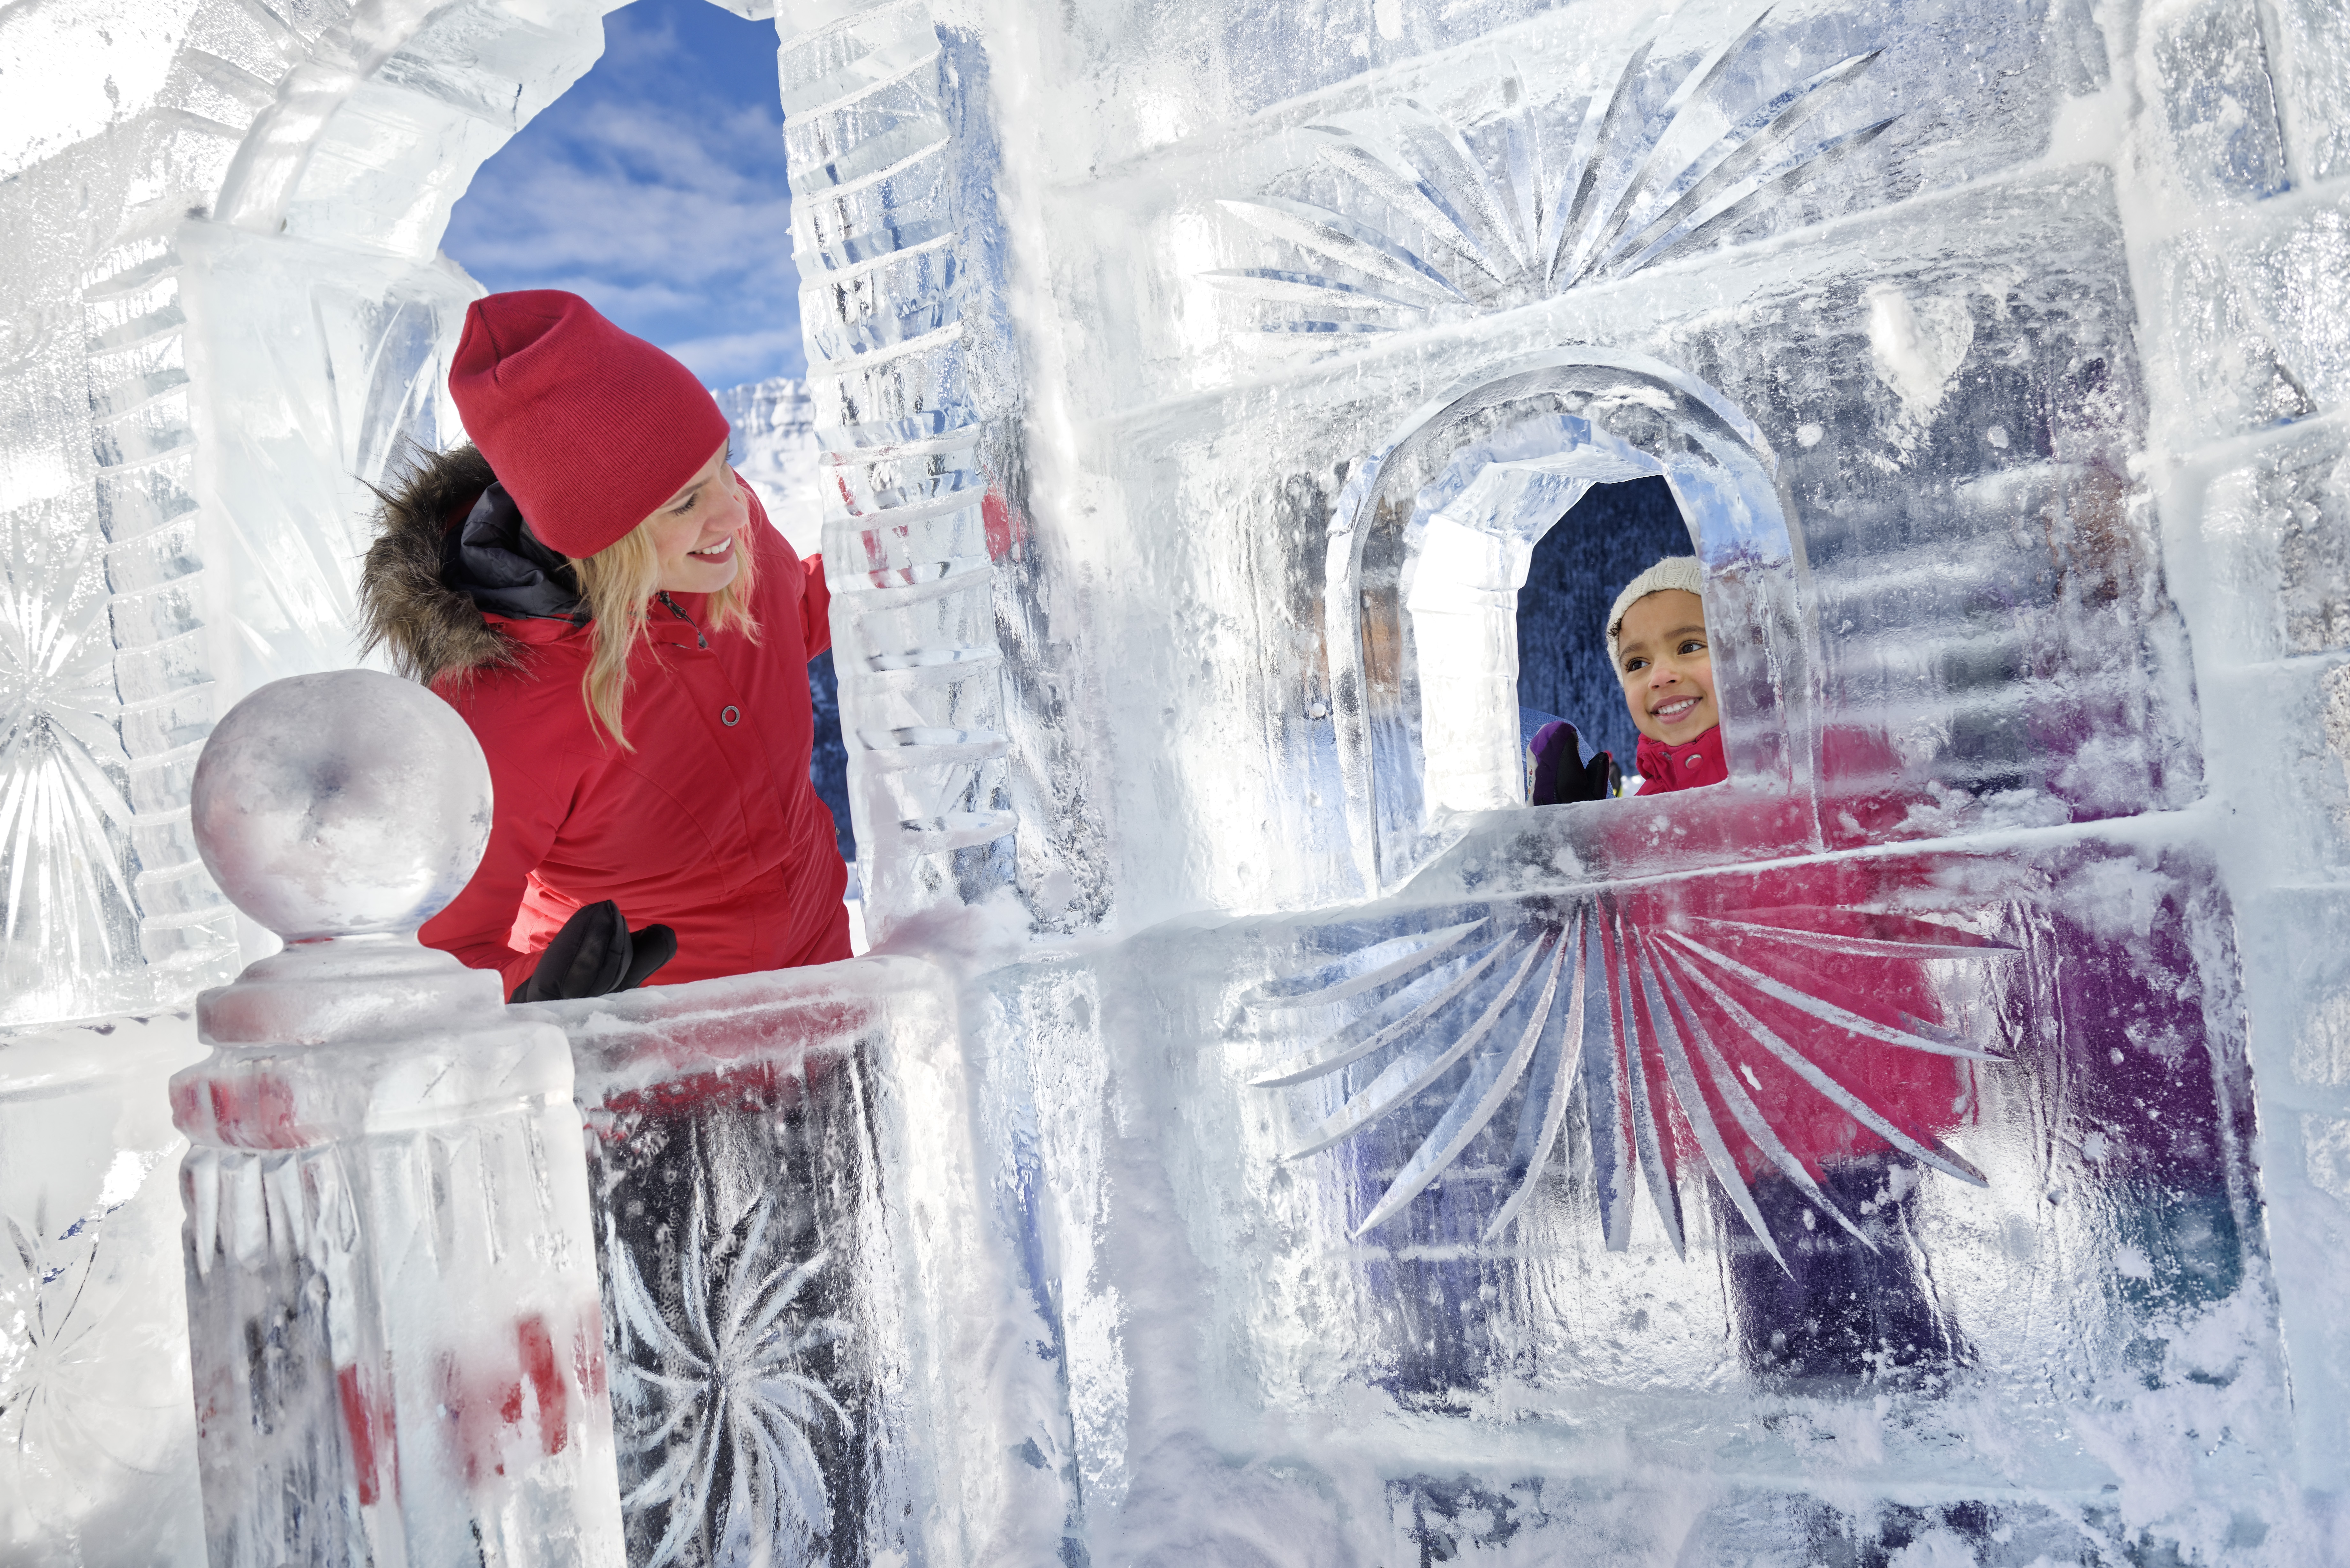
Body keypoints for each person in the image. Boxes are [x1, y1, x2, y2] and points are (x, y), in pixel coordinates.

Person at [358, 290, 849, 1002]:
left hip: (832, 985)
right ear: (598, 535)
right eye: (683, 500)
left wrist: (954, 533)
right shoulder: (498, 713)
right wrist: (541, 1000)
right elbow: (433, 956)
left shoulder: (720, 536)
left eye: (724, 462)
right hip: (668, 1058)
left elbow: (786, 617)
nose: (732, 506)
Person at [1606, 556, 1726, 795]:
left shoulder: (1811, 770)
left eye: (1690, 647)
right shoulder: (1643, 811)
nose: (1659, 677)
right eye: (1638, 664)